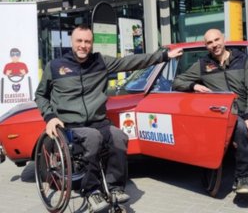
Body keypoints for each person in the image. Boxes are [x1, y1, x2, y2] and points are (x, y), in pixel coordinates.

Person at [35, 24, 183, 213]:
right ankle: (91, 191)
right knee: (93, 137)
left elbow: (131, 62)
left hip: (98, 121)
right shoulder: (55, 66)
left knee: (120, 136)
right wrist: (50, 117)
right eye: (79, 41)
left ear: (92, 43)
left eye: (87, 41)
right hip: (71, 125)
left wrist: (163, 56)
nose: (83, 45)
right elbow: (40, 95)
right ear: (71, 42)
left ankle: (114, 188)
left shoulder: (101, 61)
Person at [172, 29, 248, 194]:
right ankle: (242, 176)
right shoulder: (203, 64)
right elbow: (177, 81)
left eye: (216, 40)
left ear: (224, 39)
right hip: (226, 115)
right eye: (210, 43)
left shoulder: (243, 59)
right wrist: (194, 86)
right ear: (206, 46)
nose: (214, 45)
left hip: (247, 109)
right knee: (239, 127)